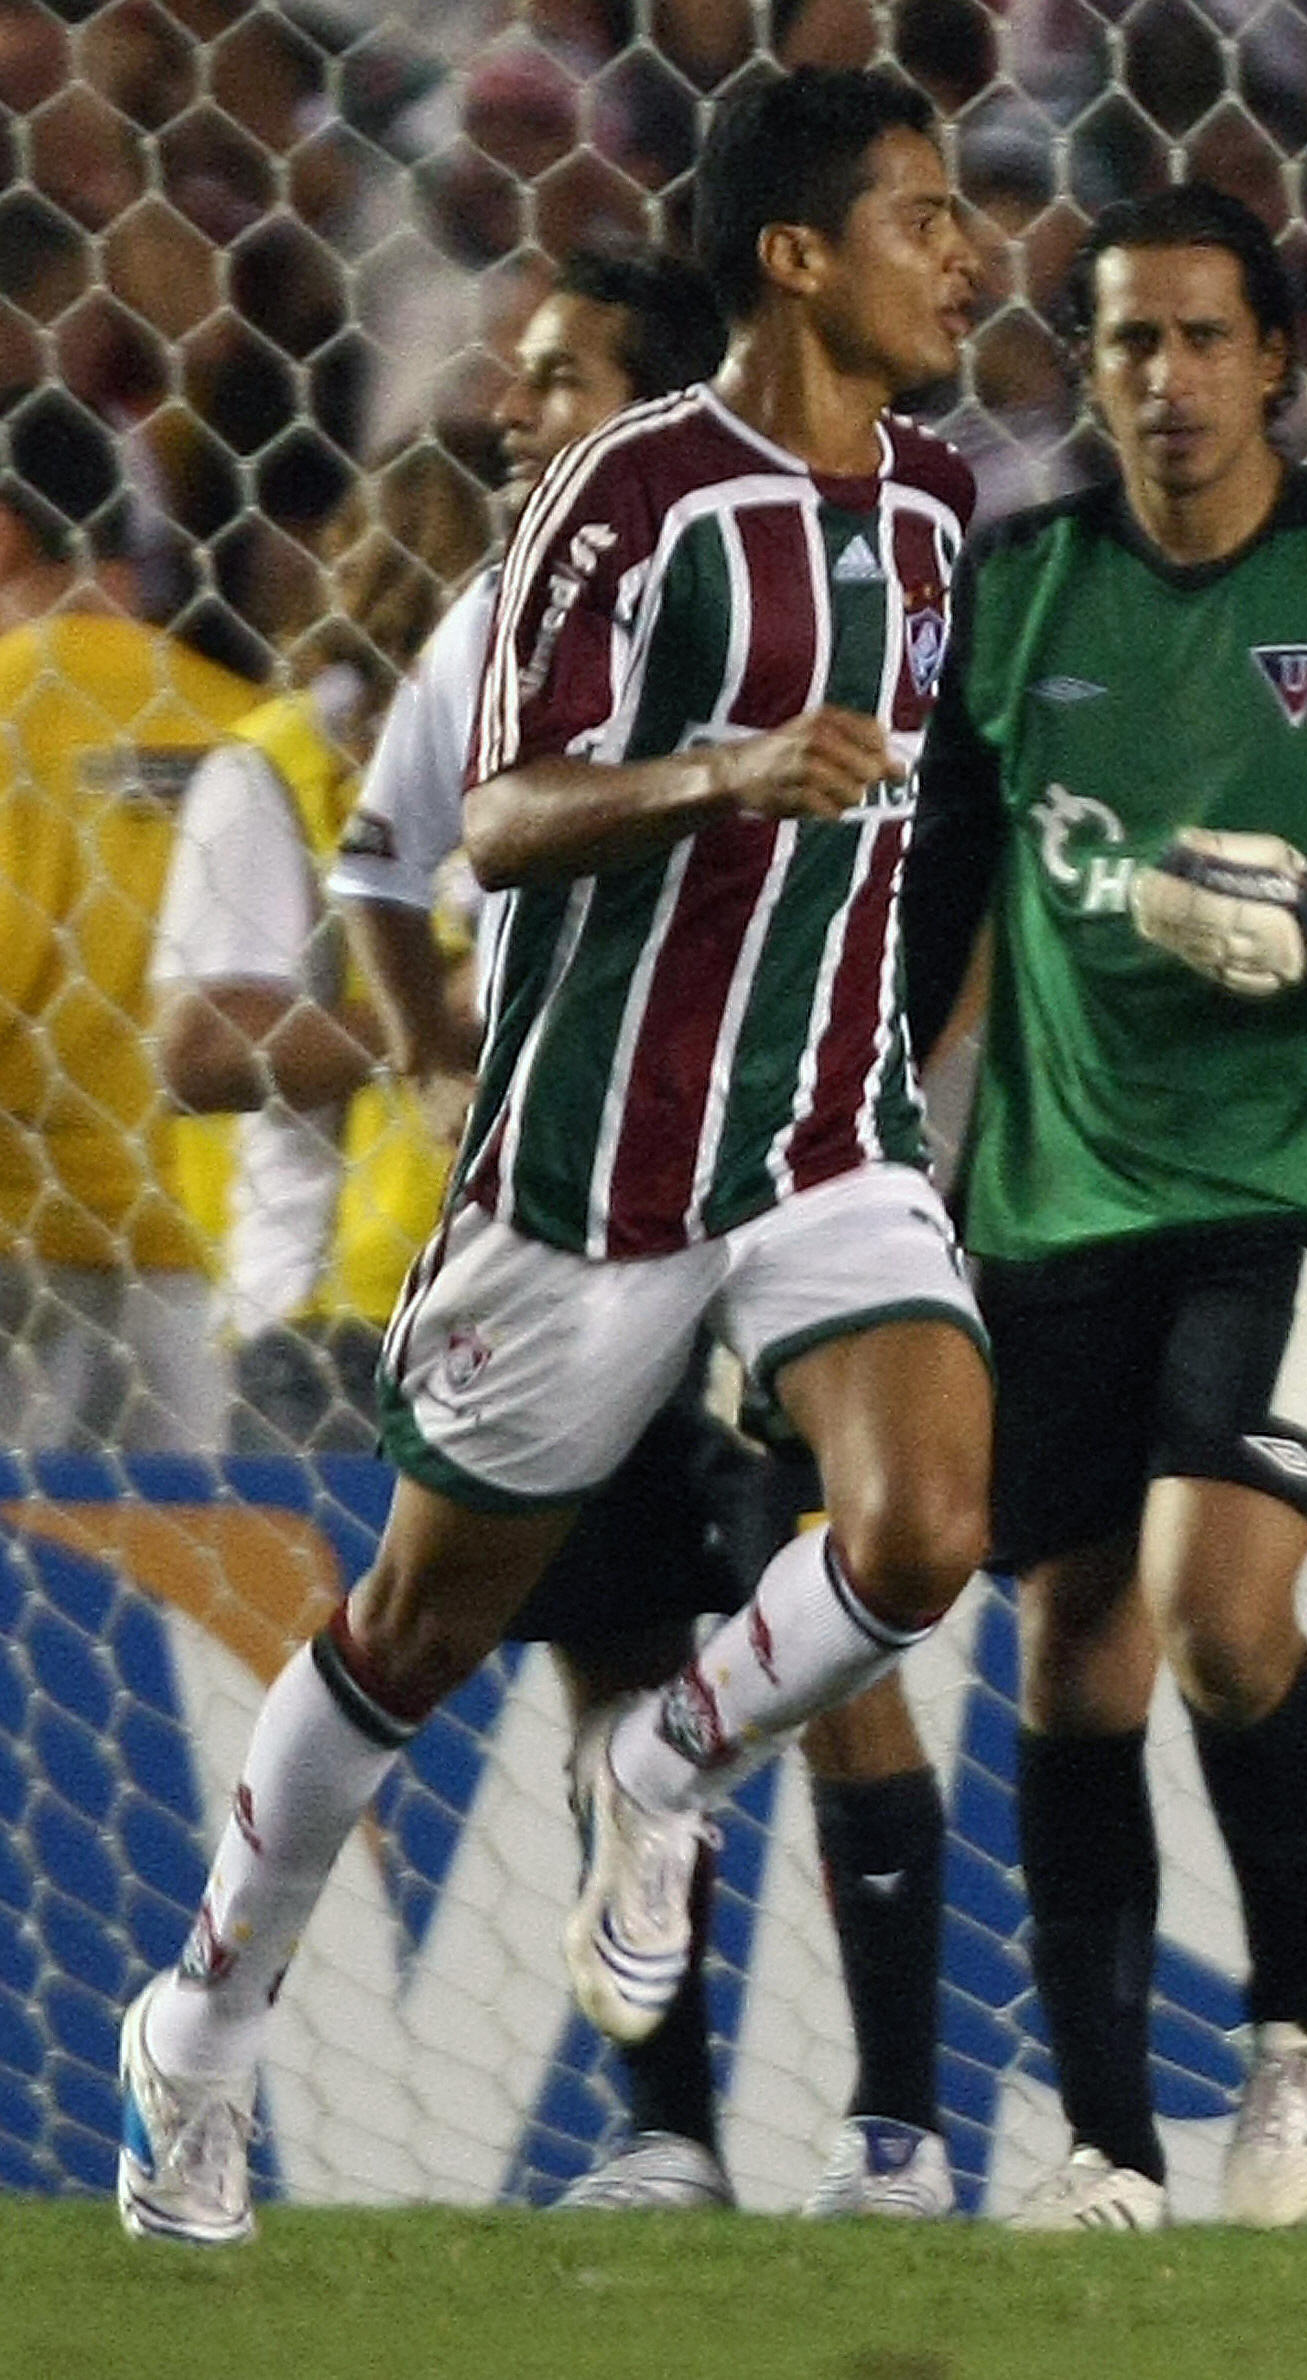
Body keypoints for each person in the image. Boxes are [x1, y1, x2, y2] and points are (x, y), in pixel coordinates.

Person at [116, 65, 992, 2248]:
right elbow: (490, 819)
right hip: (592, 1167)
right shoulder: (632, 489)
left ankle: (674, 1756)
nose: (966, 252)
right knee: (410, 1634)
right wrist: (725, 774)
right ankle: (203, 2024)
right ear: (795, 257)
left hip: (824, 1136)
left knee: (926, 1525)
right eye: (918, 215)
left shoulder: (945, 502)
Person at [898, 185, 1307, 2231]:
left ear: (1277, 360)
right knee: (1070, 1648)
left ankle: (1304, 2025)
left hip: (1304, 1179)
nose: (1162, 380)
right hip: (1060, 1185)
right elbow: (932, 908)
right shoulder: (1011, 597)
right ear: (1081, 369)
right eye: (1123, 344)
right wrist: (849, 1143)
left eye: (1199, 339)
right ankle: (1100, 2146)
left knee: (1220, 1610)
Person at [316, 251, 958, 2217]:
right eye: (510, 382)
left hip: (782, 1195)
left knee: (841, 1630)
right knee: (604, 1645)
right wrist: (449, 1082)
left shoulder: (844, 581)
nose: (512, 415)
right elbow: (384, 852)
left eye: (555, 378)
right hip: (587, 1215)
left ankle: (892, 2130)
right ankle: (664, 2133)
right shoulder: (502, 622)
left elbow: (950, 862)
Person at [148, 442, 488, 1457]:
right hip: (342, 1328)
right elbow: (201, 1050)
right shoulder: (278, 769)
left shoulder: (576, 772)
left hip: (554, 1312)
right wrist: (443, 1017)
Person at [0, 386, 261, 1452]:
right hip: (225, 1268)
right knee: (207, 1597)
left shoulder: (9, 707)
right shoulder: (248, 718)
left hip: (27, 1261)